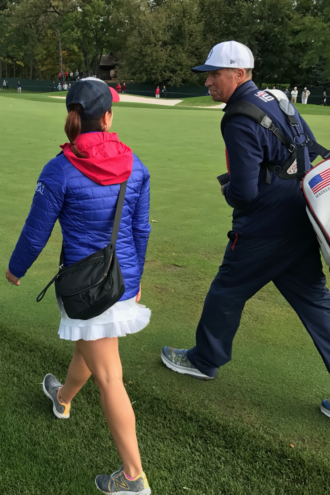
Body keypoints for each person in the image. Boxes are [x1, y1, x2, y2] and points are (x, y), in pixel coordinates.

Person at [161, 40, 330, 418]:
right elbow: (306, 151)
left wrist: (228, 191)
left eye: (215, 75)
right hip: (301, 213)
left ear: (238, 74)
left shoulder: (238, 116)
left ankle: (204, 360)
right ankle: (206, 356)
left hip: (267, 224)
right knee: (316, 303)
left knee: (228, 288)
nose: (208, 82)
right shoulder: (277, 97)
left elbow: (246, 193)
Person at [5, 77, 152, 494]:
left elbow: (37, 231)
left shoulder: (59, 168)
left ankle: (132, 477)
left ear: (72, 115)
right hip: (119, 284)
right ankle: (63, 398)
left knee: (109, 376)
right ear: (107, 117)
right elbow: (140, 230)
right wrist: (137, 280)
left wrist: (16, 269)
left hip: (86, 289)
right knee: (89, 347)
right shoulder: (135, 164)